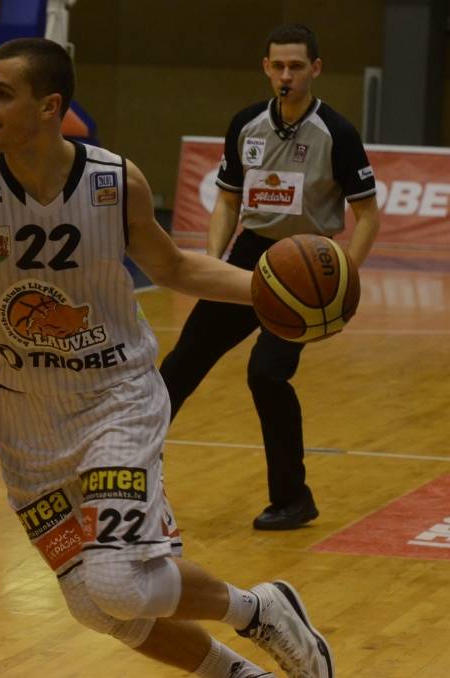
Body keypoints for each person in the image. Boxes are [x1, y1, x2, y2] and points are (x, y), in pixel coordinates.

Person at [0, 37, 335, 678]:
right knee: (93, 606)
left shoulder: (112, 181)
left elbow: (175, 267)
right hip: (23, 416)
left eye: (1, 93)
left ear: (49, 107)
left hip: (116, 397)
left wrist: (269, 290)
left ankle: (259, 609)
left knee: (119, 583)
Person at [158, 24, 380, 531]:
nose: (286, 75)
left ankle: (293, 498)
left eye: (296, 66)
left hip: (307, 265)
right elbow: (228, 200)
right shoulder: (246, 124)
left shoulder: (338, 133)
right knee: (181, 364)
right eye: (278, 65)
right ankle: (124, 471)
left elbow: (368, 216)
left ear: (315, 69)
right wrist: (213, 263)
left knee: (266, 373)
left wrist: (346, 277)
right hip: (250, 256)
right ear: (265, 67)